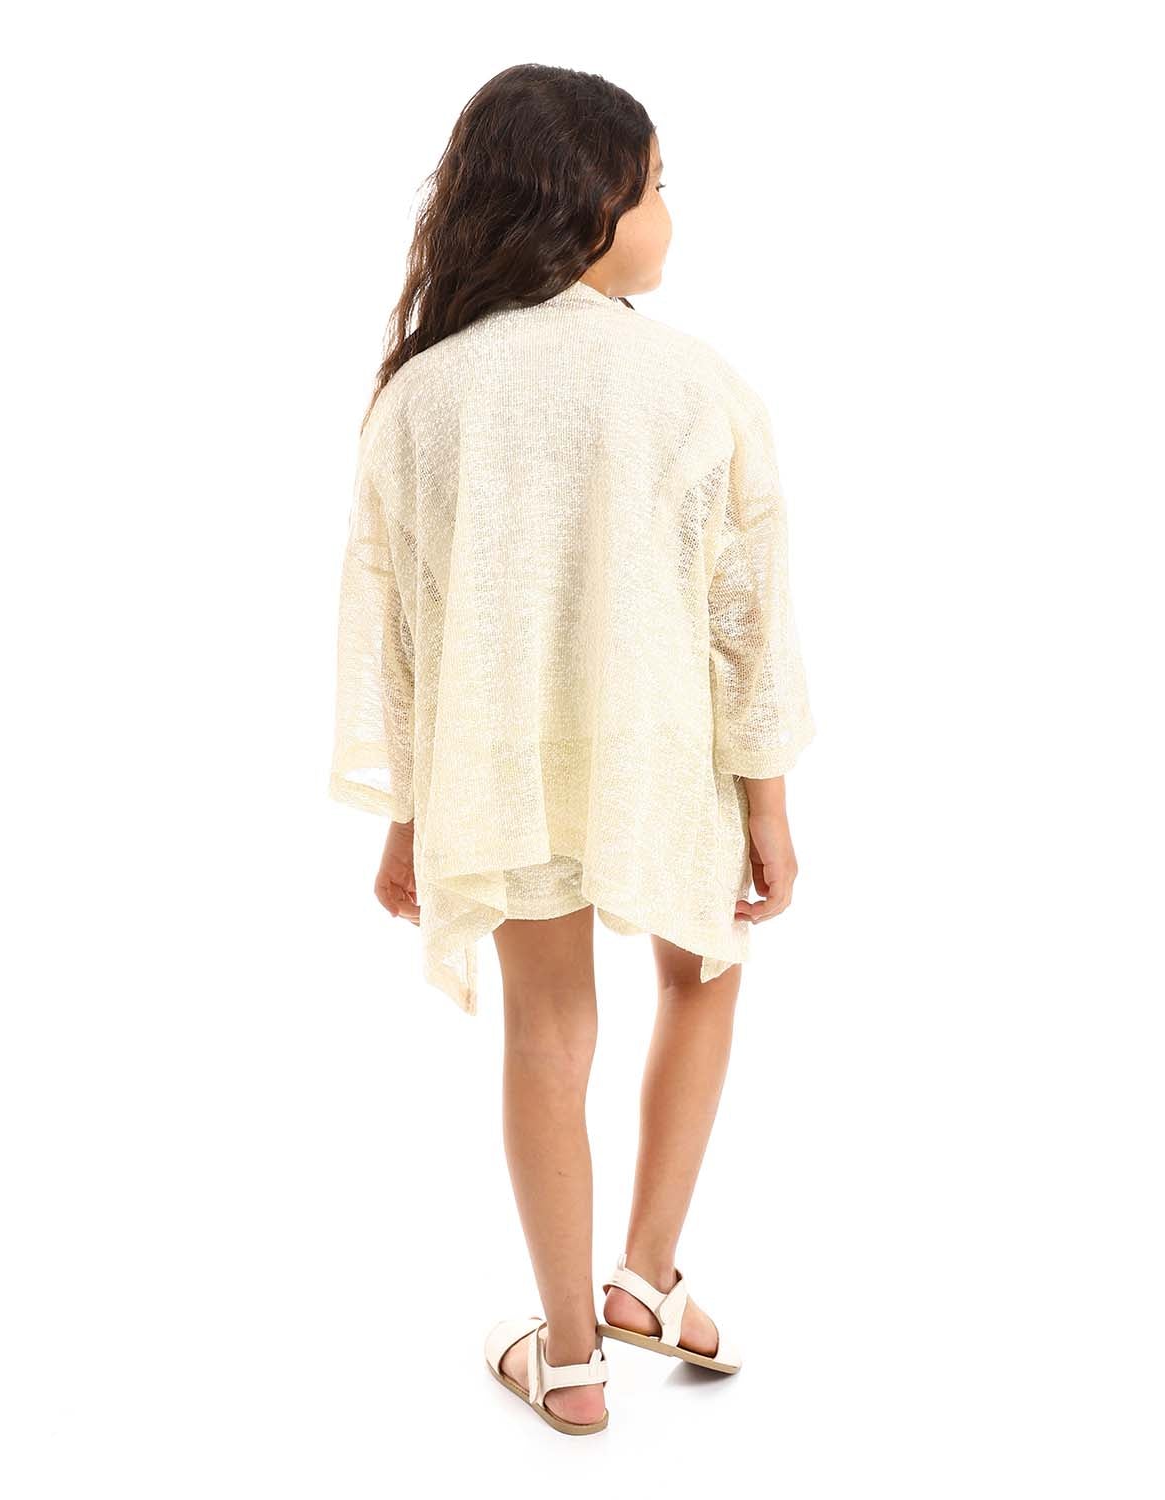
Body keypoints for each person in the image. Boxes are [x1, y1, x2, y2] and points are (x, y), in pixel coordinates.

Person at [328, 63, 814, 1436]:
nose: (670, 214)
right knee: (704, 970)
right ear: (590, 202)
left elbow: (409, 634)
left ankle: (572, 1354)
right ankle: (647, 1274)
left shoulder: (422, 394)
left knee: (547, 1029)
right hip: (666, 753)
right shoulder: (696, 384)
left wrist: (412, 815)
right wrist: (768, 802)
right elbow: (746, 621)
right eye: (656, 186)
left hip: (502, 766)